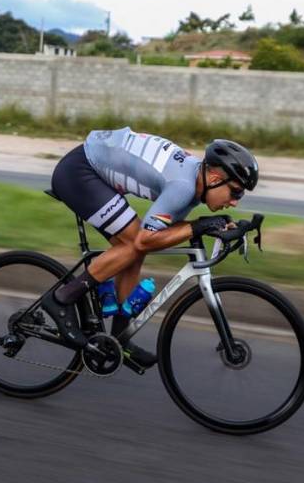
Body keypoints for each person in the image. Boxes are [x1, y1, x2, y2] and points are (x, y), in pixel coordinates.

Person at [43, 128, 259, 369]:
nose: (235, 201)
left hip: (90, 167)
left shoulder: (195, 186)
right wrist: (199, 226)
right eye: (235, 191)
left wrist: (210, 226)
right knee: (136, 243)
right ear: (217, 179)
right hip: (79, 172)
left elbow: (165, 230)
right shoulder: (184, 187)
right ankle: (62, 298)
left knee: (134, 249)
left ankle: (119, 338)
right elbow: (146, 239)